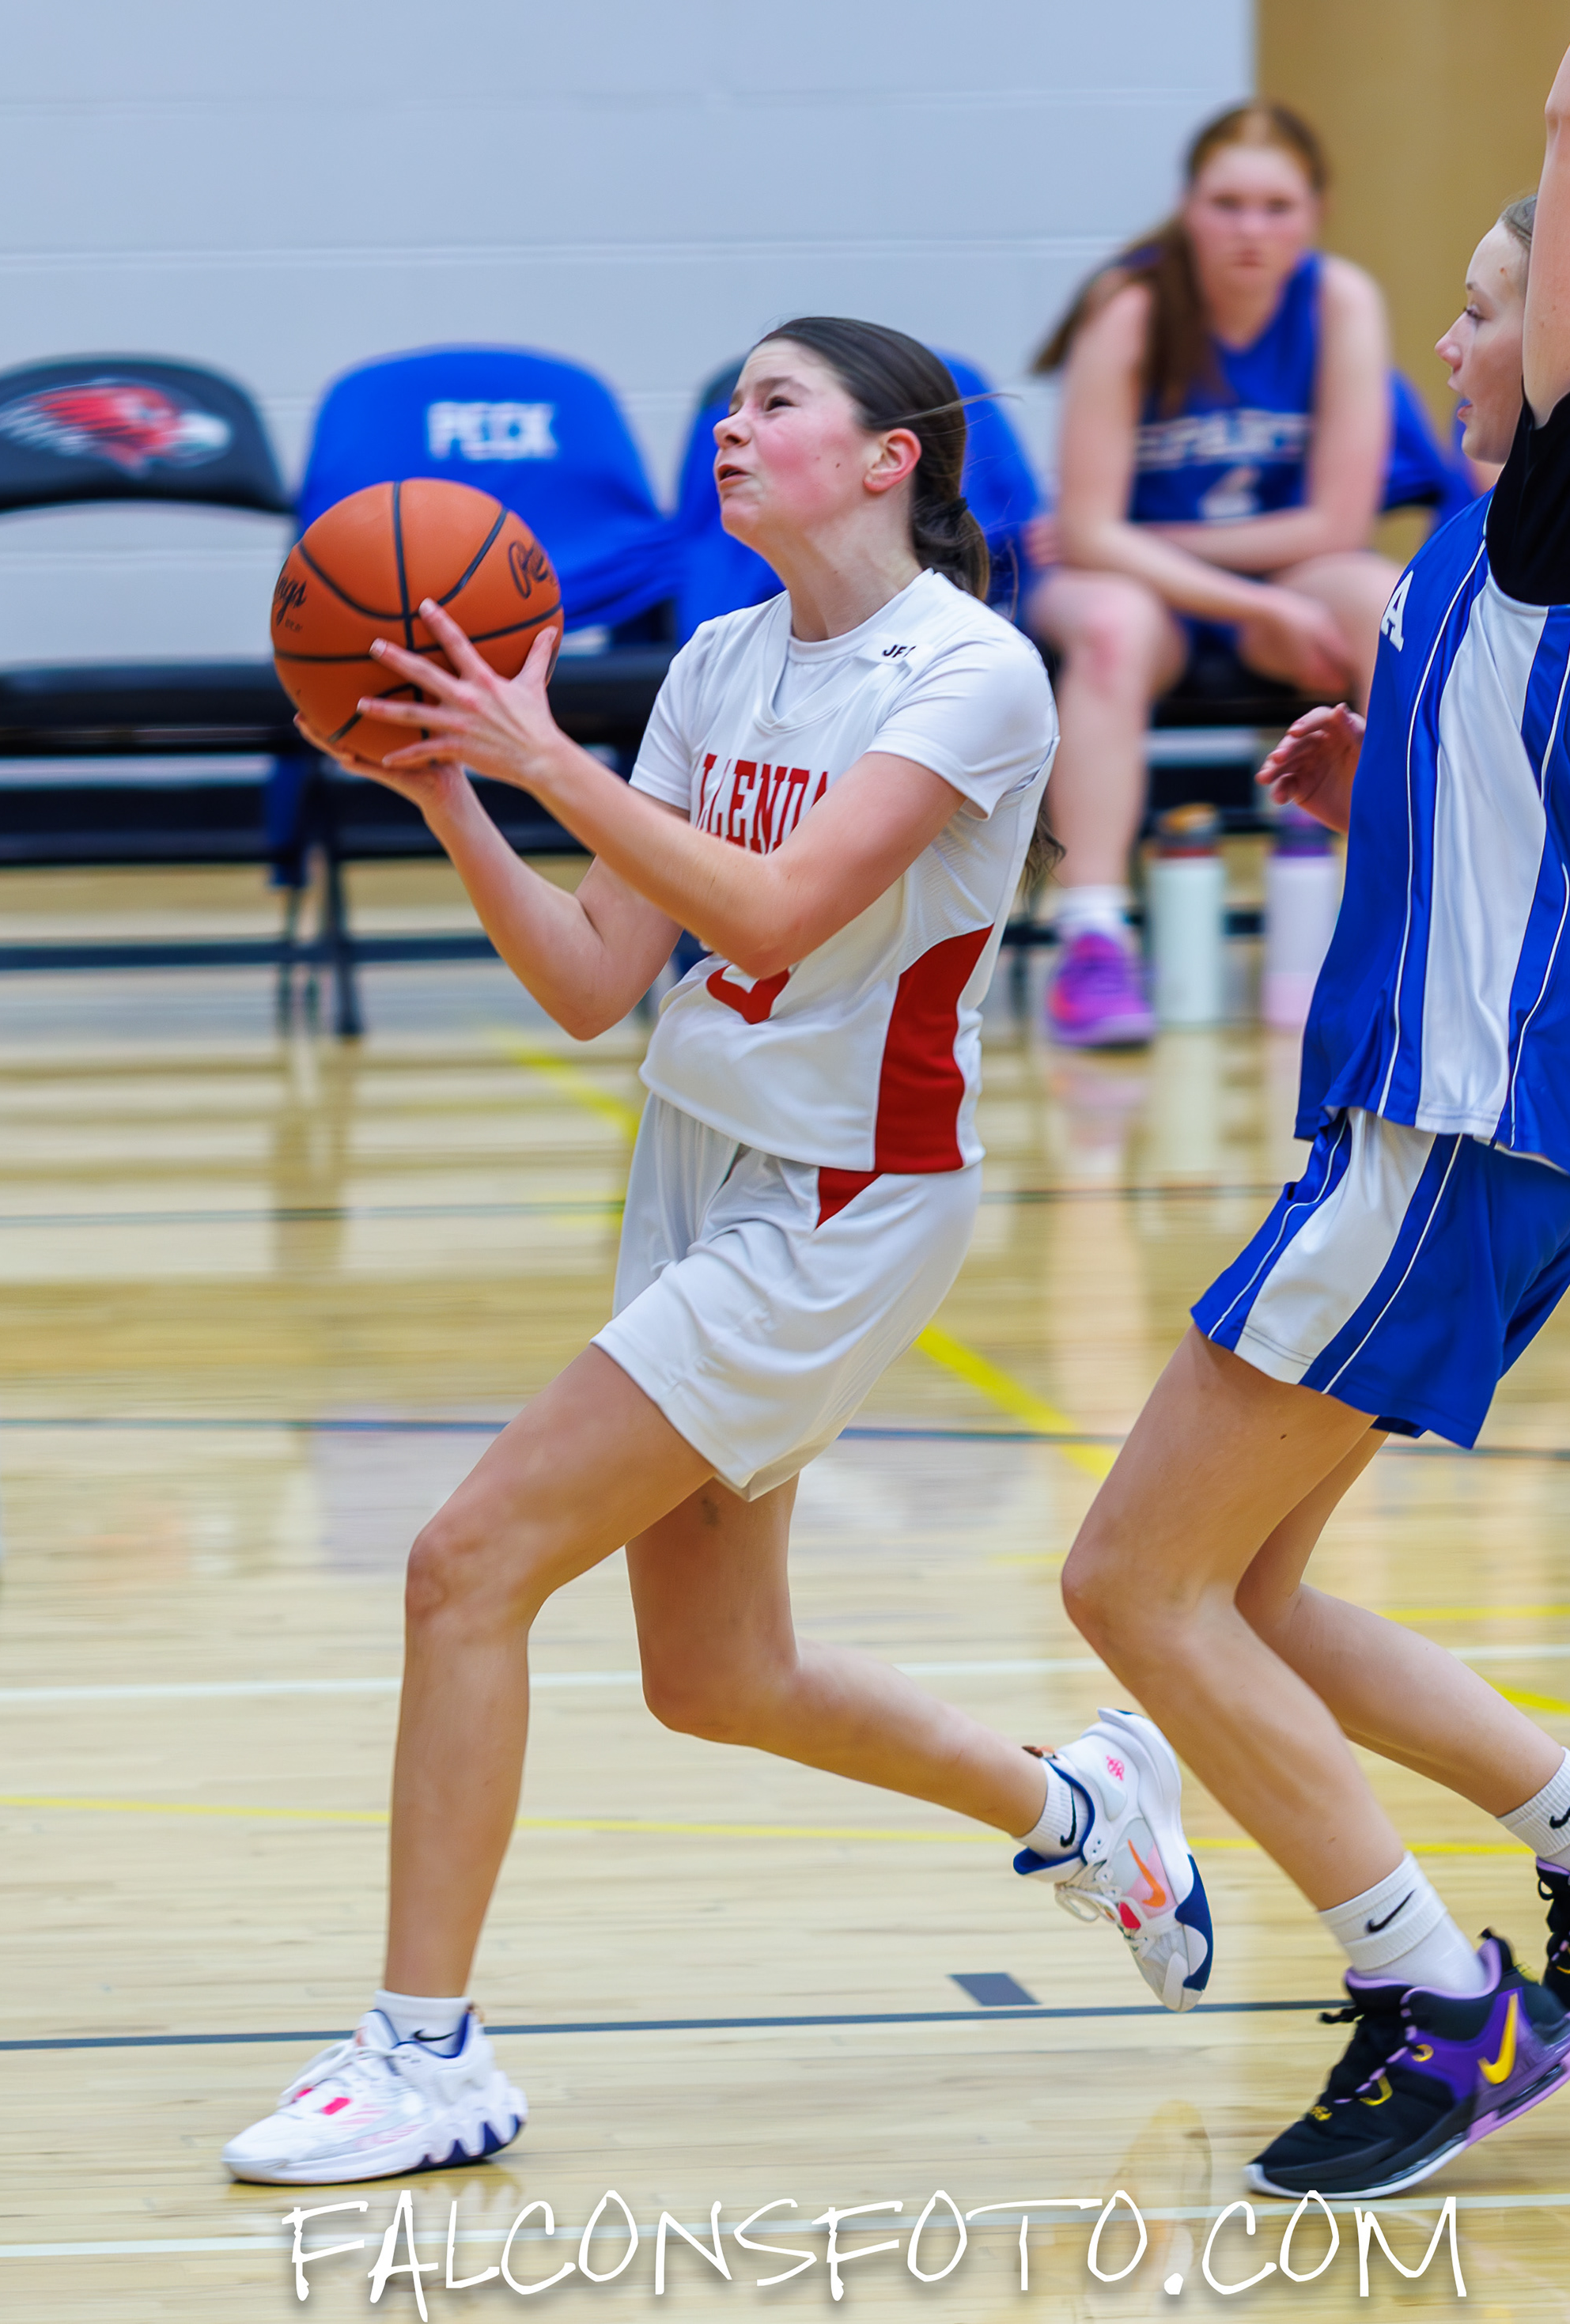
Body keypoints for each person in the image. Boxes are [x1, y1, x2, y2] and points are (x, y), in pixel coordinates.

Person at [220, 318, 1213, 2188]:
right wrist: (451, 791)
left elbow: (769, 909)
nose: (728, 429)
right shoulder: (716, 658)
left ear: (888, 456)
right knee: (715, 1672)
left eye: (773, 402)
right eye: (729, 402)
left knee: (464, 1564)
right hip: (697, 1152)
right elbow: (598, 978)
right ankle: (1082, 1806)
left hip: (842, 1195)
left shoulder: (974, 672)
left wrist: (540, 752)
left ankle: (423, 2053)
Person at [1057, 0, 1570, 2204]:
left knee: (1130, 1587)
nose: (1458, 341)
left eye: (1483, 310)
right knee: (1243, 1595)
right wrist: (1402, 771)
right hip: (1493, 1135)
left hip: (1448, 1130)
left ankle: (1436, 1996)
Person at [1025, 102, 1402, 1047]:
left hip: (1254, 569)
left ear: (1316, 211)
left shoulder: (1341, 302)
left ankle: (1407, 914)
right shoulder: (1132, 305)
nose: (1250, 229)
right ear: (1189, 207)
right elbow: (1087, 537)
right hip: (1139, 588)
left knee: (1385, 601)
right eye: (1227, 204)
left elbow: (1339, 524)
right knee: (1111, 626)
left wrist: (1160, 542)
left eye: (1276, 206)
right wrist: (1250, 599)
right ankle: (1093, 939)